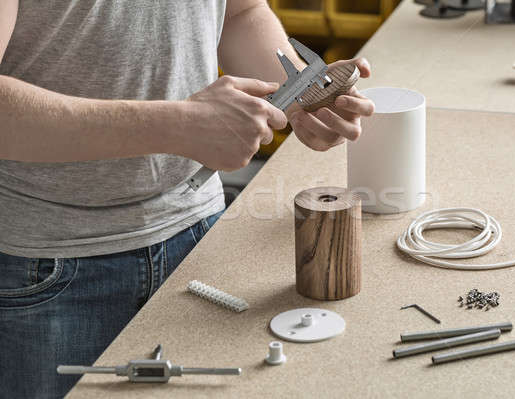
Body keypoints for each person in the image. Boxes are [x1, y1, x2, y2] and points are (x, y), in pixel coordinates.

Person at [0, 1, 375, 397]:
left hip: (199, 234)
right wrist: (178, 124)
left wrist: (300, 99)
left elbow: (239, 13)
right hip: (51, 265)